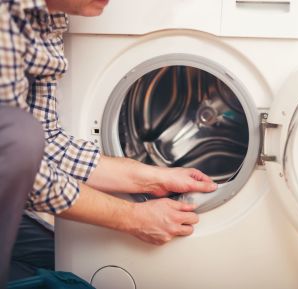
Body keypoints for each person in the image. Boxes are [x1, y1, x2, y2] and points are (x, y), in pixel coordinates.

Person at [0, 0, 217, 286]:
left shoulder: (48, 17)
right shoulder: (5, 18)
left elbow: (45, 143)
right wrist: (133, 218)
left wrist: (151, 178)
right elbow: (20, 163)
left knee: (58, 256)